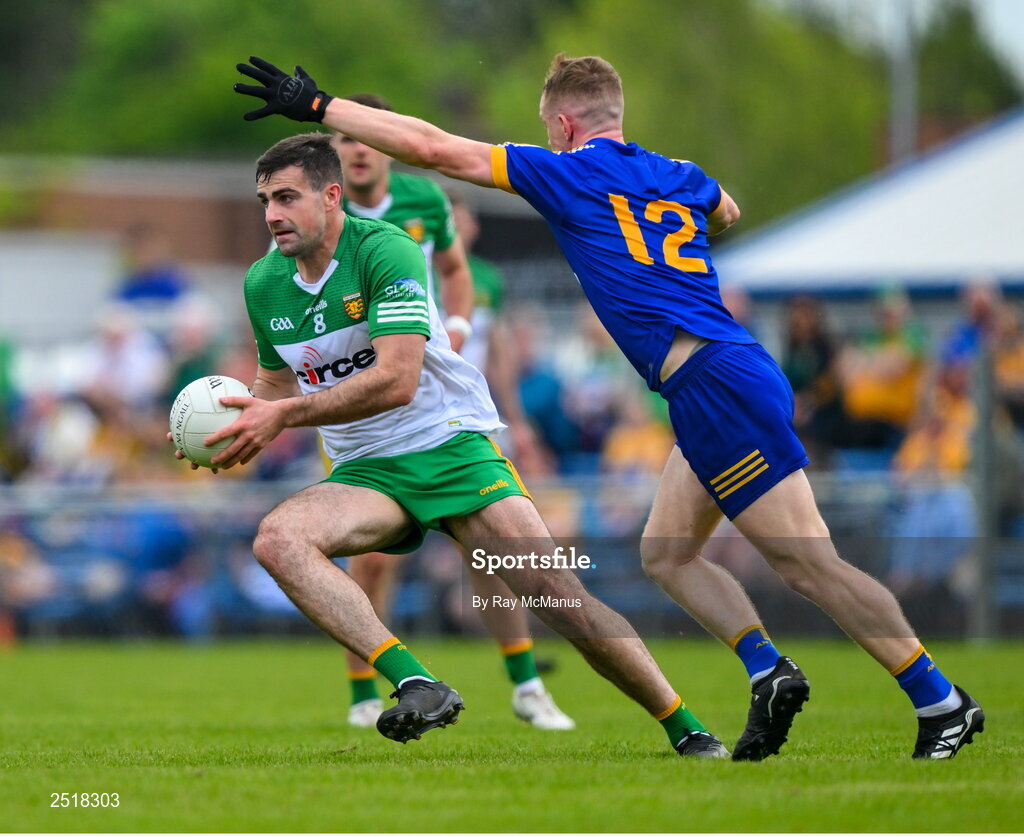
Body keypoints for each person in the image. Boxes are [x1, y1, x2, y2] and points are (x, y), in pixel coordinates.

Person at [233, 53, 985, 760]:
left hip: (713, 380)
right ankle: (767, 669)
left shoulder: (566, 174)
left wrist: (322, 106)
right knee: (666, 552)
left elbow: (432, 147)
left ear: (562, 127)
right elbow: (726, 209)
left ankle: (939, 700)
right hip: (718, 375)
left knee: (807, 563)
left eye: (544, 128)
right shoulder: (678, 173)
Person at [173, 132, 727, 757]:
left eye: (286, 197)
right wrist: (239, 422)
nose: (271, 214)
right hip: (365, 472)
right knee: (277, 539)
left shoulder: (387, 251)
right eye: (264, 200)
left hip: (449, 447)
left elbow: (397, 380)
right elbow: (274, 382)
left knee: (560, 599)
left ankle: (686, 727)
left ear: (331, 197)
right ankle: (415, 681)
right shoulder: (262, 283)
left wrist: (284, 417)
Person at [328, 97, 572, 731]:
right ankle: (363, 688)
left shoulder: (424, 202)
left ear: (384, 142)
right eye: (343, 138)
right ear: (332, 151)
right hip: (360, 408)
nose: (357, 148)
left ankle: (525, 685)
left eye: (365, 136)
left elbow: (456, 275)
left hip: (436, 403)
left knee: (489, 548)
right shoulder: (321, 213)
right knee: (373, 557)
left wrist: (456, 329)